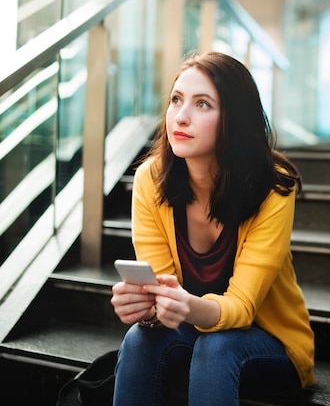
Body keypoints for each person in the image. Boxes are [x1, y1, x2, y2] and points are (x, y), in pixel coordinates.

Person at [110, 51, 315, 406]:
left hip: (270, 343)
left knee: (217, 345)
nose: (181, 116)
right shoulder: (150, 180)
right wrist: (148, 309)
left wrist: (184, 307)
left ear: (233, 121)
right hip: (194, 334)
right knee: (139, 339)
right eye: (176, 100)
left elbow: (242, 308)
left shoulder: (272, 186)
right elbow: (162, 291)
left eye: (202, 104)